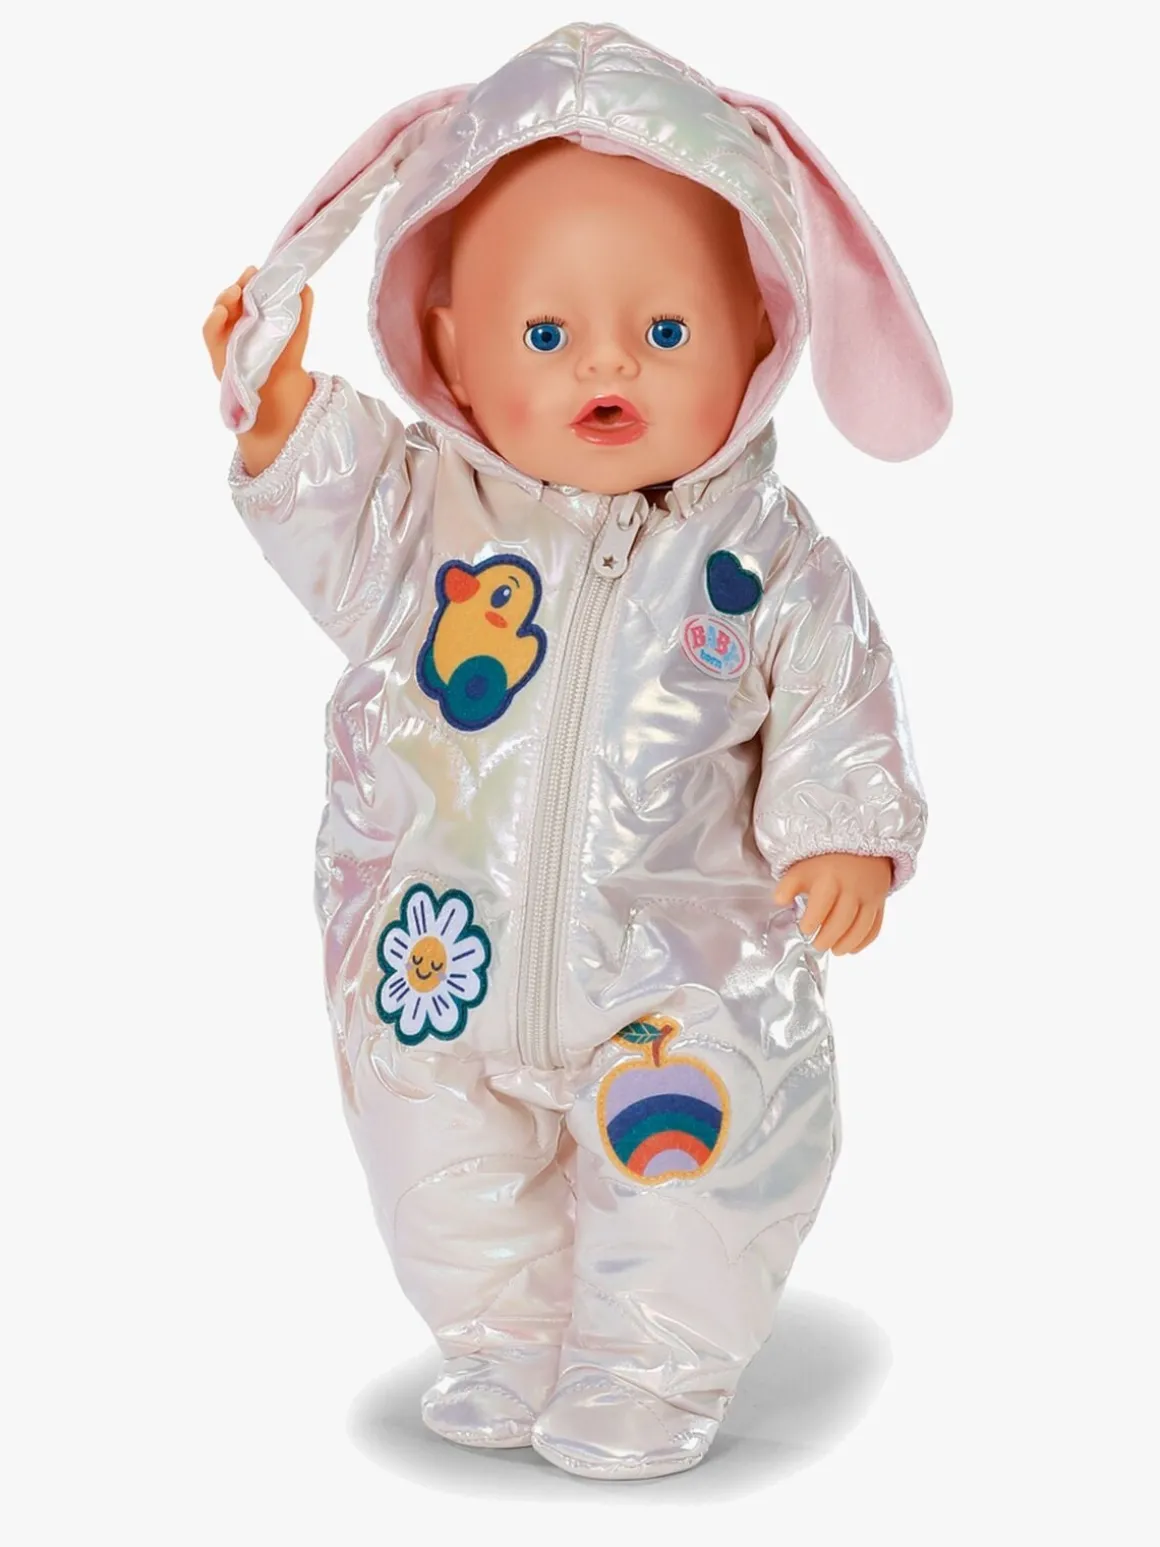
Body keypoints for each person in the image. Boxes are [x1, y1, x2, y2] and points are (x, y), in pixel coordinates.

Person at [203, 21, 950, 1481]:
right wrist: (281, 410)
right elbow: (324, 500)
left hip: (680, 972)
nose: (608, 362)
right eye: (545, 336)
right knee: (438, 1167)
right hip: (438, 949)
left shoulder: (767, 563)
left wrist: (842, 831)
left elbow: (839, 692)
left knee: (695, 1175)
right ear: (449, 354)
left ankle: (652, 1364)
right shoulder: (423, 523)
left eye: (667, 333)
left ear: (759, 338)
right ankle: (506, 1340)